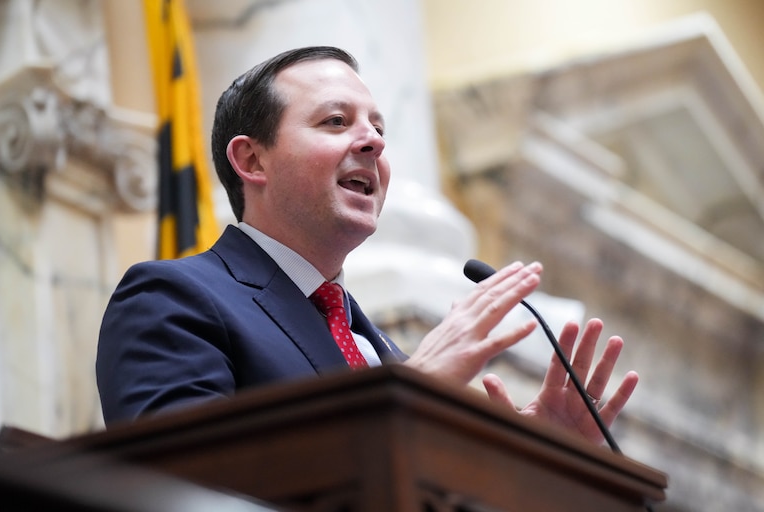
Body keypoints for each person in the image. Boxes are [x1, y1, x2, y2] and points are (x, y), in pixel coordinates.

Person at [96, 46, 639, 446]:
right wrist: (409, 392)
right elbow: (183, 485)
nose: (374, 141)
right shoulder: (171, 299)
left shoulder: (376, 347)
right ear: (252, 161)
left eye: (379, 127)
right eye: (336, 121)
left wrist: (532, 469)